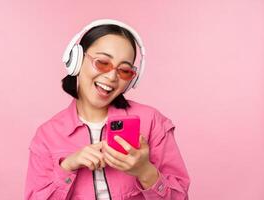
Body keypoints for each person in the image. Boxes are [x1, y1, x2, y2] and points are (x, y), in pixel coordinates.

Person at [24, 19, 190, 200]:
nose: (112, 76)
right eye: (102, 62)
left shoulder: (152, 122)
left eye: (125, 71)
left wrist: (145, 171)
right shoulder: (46, 136)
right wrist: (67, 167)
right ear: (76, 60)